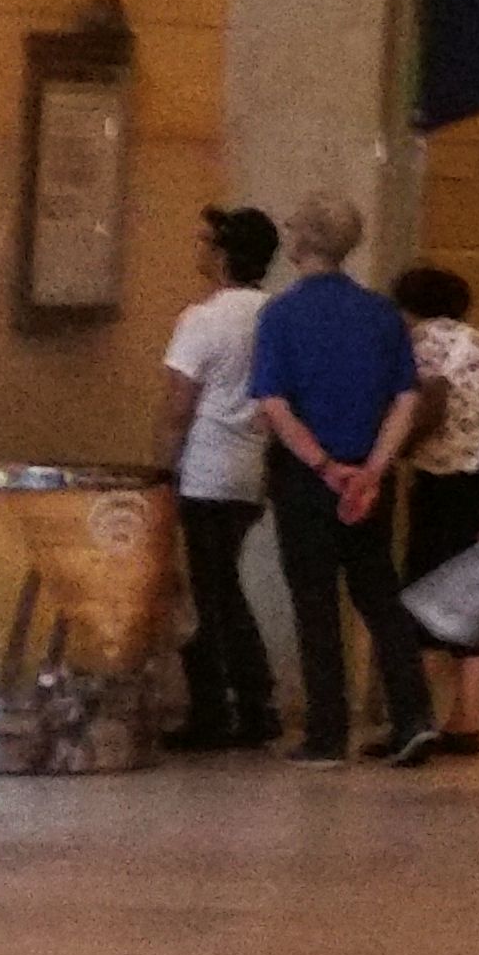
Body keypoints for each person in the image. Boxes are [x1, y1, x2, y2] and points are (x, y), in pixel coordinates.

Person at [247, 192, 440, 767]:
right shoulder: (382, 314)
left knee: (315, 601)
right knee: (379, 595)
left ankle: (327, 733)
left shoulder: (281, 315)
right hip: (371, 477)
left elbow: (274, 403)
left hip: (309, 478)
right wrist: (374, 467)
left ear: (302, 239)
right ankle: (412, 717)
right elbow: (406, 398)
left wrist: (325, 466)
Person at [157, 207, 280, 752]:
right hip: (251, 468)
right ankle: (255, 701)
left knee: (205, 593)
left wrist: (162, 472)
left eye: (206, 240)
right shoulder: (274, 315)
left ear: (224, 253)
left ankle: (213, 708)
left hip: (204, 469)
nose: (199, 249)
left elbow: (177, 406)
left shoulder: (202, 319)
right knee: (224, 584)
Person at [393, 264, 479, 751]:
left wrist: (392, 450)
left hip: (446, 478)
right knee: (473, 598)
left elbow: (430, 405)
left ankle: (416, 718)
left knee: (424, 591)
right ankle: (467, 718)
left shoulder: (424, 341)